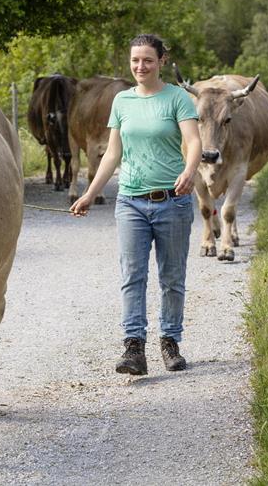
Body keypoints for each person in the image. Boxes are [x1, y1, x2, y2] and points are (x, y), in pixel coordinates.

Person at [69, 34, 201, 375]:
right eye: (135, 61)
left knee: (172, 277)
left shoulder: (177, 99)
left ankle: (170, 343)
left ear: (162, 61)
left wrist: (190, 170)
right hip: (131, 202)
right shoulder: (122, 102)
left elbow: (193, 140)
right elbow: (113, 153)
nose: (140, 66)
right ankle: (133, 349)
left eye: (148, 60)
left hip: (173, 201)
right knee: (132, 275)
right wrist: (89, 191)